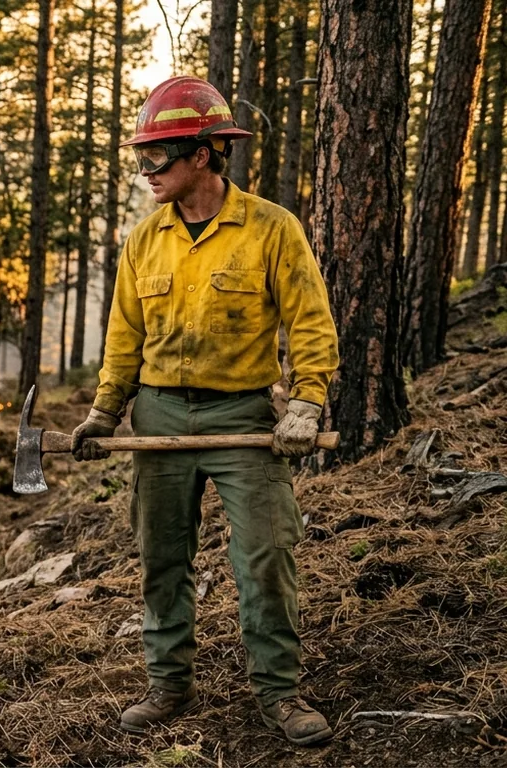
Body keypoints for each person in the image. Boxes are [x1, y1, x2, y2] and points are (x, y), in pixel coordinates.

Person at [70, 75, 340, 746]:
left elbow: (311, 323)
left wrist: (305, 403)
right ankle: (169, 685)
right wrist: (106, 411)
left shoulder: (272, 230)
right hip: (158, 417)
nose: (145, 171)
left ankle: (278, 692)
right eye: (141, 156)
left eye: (157, 156)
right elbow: (123, 337)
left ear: (203, 154)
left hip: (245, 419)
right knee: (162, 557)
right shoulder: (145, 241)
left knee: (266, 556)